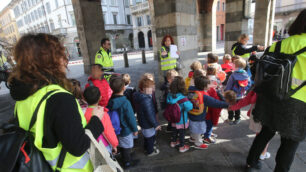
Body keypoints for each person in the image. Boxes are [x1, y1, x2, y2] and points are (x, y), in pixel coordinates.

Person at [8, 33, 104, 171]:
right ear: (50, 61)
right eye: (60, 54)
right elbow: (78, 146)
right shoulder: (60, 99)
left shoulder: (22, 99)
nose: (65, 59)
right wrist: (96, 120)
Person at [246, 9, 306, 172]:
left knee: (266, 132)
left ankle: (251, 163)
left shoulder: (278, 45)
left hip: (270, 97)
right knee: (290, 143)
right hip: (298, 103)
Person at [107, 77, 139, 169]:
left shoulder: (111, 101)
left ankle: (125, 158)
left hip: (115, 129)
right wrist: (135, 129)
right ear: (123, 88)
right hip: (125, 129)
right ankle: (127, 162)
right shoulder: (125, 102)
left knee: (121, 144)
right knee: (127, 146)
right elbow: (130, 117)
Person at [188, 76, 228, 147]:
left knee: (193, 127)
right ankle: (198, 144)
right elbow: (216, 103)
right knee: (198, 131)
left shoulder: (191, 91)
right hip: (199, 116)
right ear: (204, 86)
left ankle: (192, 138)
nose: (210, 85)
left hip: (191, 114)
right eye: (209, 84)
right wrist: (228, 105)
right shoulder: (204, 96)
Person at [83, 86, 118, 154]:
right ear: (100, 98)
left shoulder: (83, 112)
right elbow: (108, 131)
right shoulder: (102, 114)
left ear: (84, 99)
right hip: (103, 145)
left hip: (90, 145)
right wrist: (114, 145)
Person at [133, 78, 161, 156]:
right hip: (148, 124)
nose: (152, 90)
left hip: (142, 121)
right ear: (144, 89)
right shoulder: (146, 100)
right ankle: (150, 151)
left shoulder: (138, 96)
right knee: (150, 138)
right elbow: (150, 115)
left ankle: (146, 147)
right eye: (151, 88)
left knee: (146, 136)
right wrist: (156, 124)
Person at [167, 76, 193, 153]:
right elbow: (189, 107)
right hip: (181, 119)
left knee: (174, 131)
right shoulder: (183, 97)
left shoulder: (169, 95)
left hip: (173, 119)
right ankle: (182, 146)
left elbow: (168, 102)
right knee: (182, 134)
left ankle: (173, 142)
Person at [225, 57, 251, 125]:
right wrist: (243, 90)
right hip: (240, 95)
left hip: (232, 95)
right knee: (238, 107)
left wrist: (226, 92)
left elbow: (229, 85)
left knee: (230, 106)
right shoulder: (245, 74)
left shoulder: (233, 75)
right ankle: (237, 118)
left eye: (233, 64)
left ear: (236, 66)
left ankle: (230, 119)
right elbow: (249, 84)